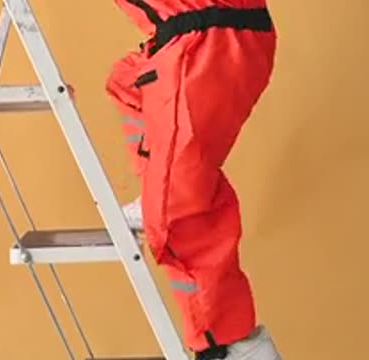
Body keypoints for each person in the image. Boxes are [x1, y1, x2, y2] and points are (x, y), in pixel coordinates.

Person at [106, 1, 282, 359]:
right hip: (199, 39)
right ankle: (155, 193)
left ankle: (230, 346)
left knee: (179, 210)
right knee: (129, 83)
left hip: (205, 42)